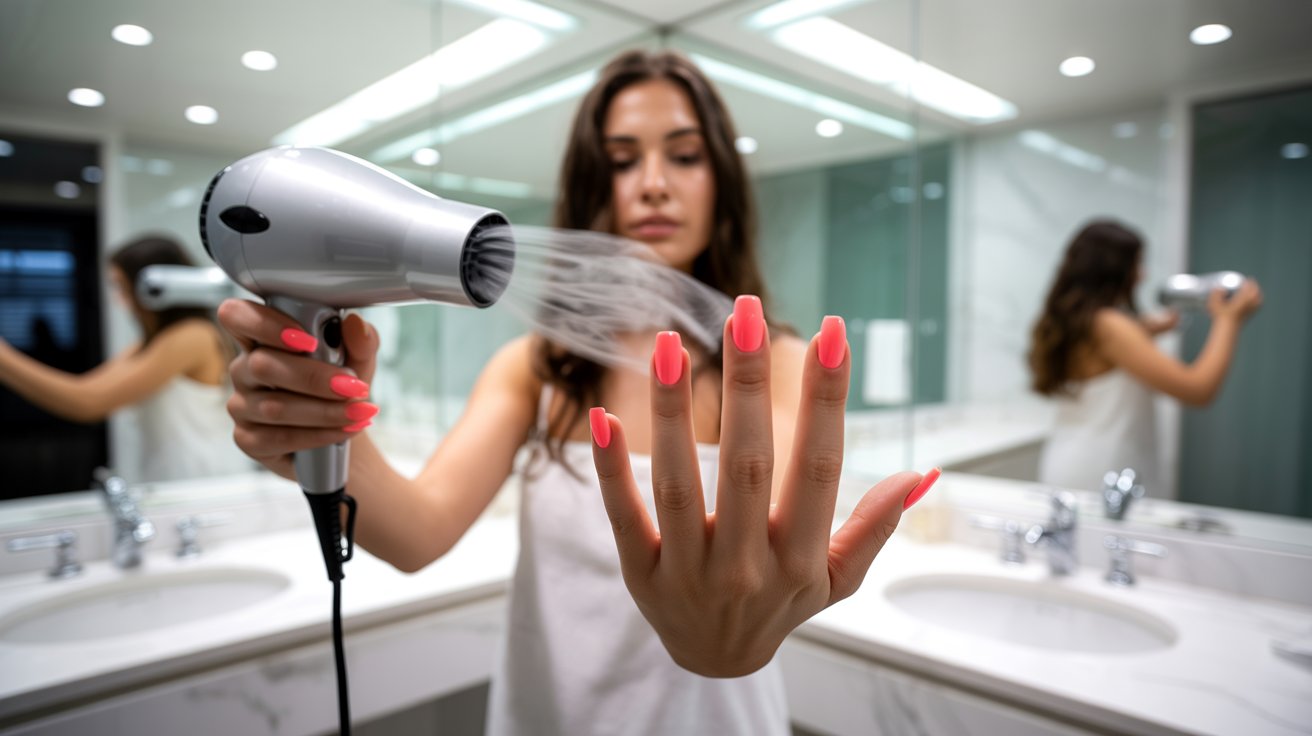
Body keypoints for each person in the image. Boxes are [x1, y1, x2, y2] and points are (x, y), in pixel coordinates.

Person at [218, 50, 937, 736]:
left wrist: (733, 645)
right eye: (622, 161)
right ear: (593, 184)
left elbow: (758, 589)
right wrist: (323, 427)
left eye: (684, 156)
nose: (653, 183)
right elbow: (417, 534)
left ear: (720, 182)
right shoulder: (534, 368)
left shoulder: (777, 366)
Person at [1029, 219, 1262, 490]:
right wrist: (1228, 321)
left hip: (1073, 460)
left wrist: (1151, 328)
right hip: (1105, 473)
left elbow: (1119, 344)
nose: (1143, 275)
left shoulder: (1075, 320)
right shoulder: (1110, 326)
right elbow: (1198, 389)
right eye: (1137, 264)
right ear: (1116, 269)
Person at [0, 235, 250, 482]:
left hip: (206, 481)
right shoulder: (153, 342)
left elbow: (87, 402)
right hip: (177, 480)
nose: (120, 299)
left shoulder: (192, 335)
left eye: (121, 285)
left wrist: (5, 359)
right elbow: (88, 389)